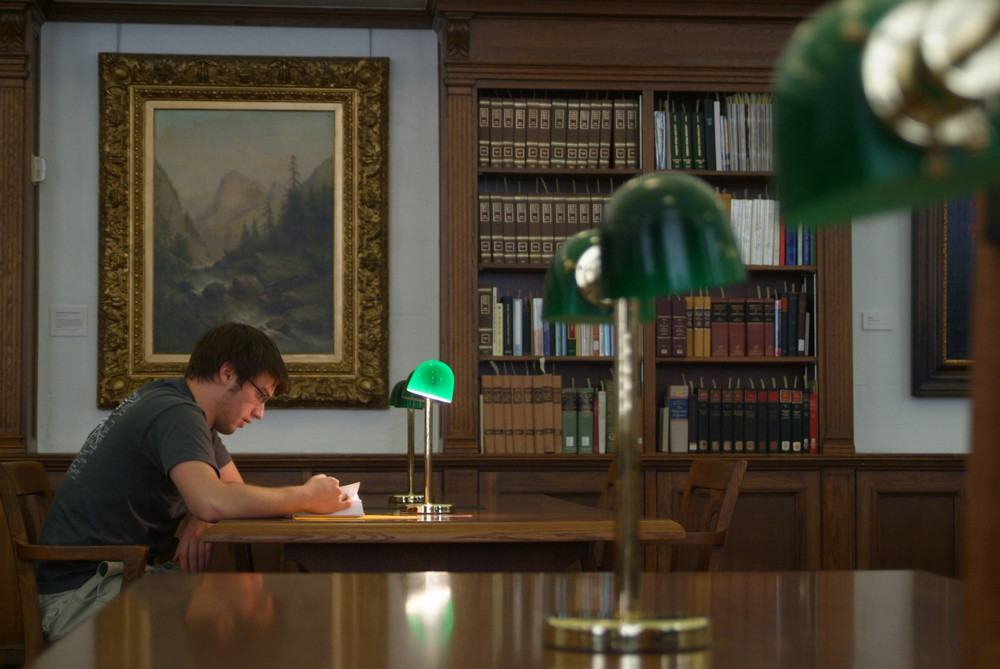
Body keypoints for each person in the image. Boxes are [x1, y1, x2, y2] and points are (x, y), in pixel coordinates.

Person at [36, 322, 351, 642]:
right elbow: (216, 500)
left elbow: (230, 493)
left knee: (246, 604)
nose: (260, 413)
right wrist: (307, 495)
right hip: (80, 598)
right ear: (228, 373)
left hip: (112, 580)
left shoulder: (182, 409)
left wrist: (202, 513)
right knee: (246, 622)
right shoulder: (175, 413)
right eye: (260, 395)